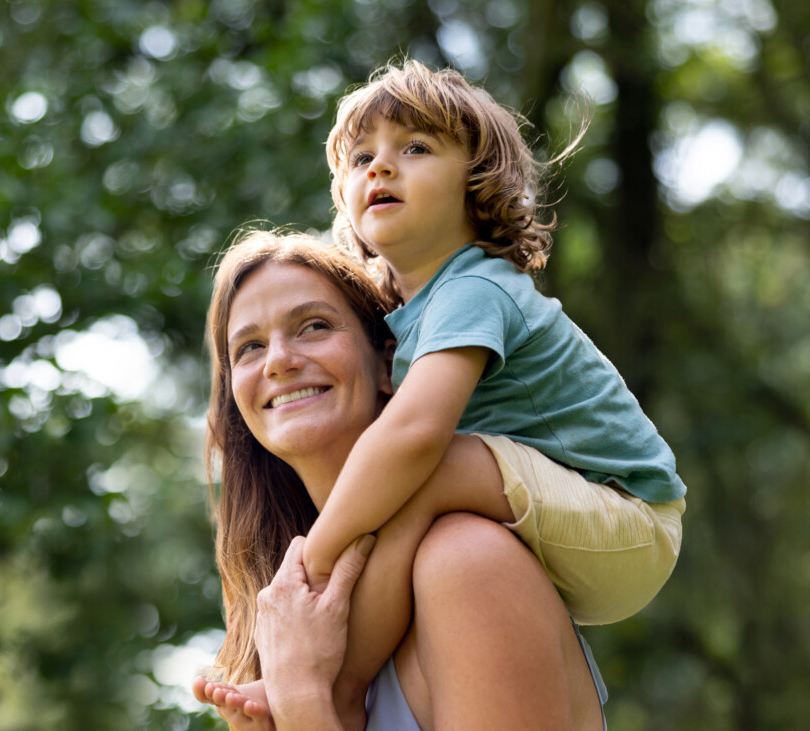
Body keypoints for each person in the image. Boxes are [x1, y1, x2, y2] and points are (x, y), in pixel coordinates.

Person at [269, 58, 683, 726]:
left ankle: (339, 678)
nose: (380, 166)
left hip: (631, 516)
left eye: (415, 147)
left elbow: (414, 436)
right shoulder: (412, 311)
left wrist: (311, 566)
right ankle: (342, 671)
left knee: (430, 466)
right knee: (417, 484)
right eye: (361, 157)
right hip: (566, 518)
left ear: (477, 181)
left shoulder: (474, 288)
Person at [194, 230, 607, 730]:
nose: (279, 360)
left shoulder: (466, 561)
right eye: (250, 347)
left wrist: (303, 698)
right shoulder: (289, 635)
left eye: (313, 326)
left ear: (389, 364)